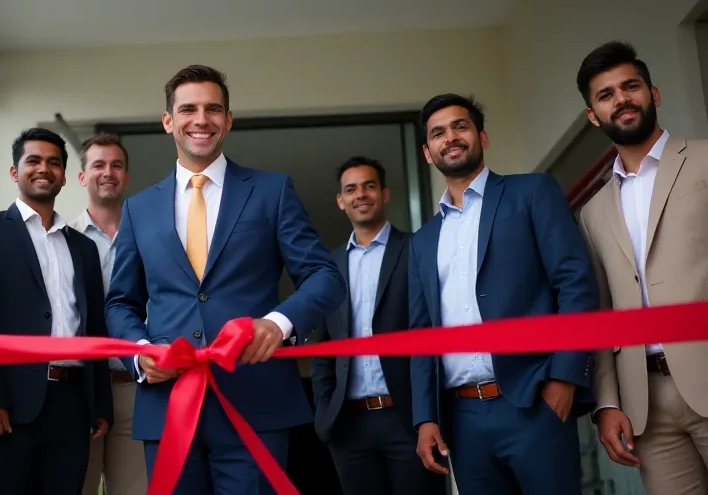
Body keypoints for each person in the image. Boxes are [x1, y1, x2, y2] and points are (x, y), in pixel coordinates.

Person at [105, 64, 344, 494]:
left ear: (228, 120)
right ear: (168, 121)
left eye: (213, 109)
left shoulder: (272, 191)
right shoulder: (138, 208)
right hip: (168, 406)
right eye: (188, 109)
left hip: (256, 401)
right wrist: (139, 354)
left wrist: (279, 323)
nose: (201, 119)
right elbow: (120, 302)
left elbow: (324, 276)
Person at [407, 93, 600, 494]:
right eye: (438, 133)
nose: (451, 137)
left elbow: (575, 283)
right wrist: (426, 417)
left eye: (460, 126)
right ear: (428, 153)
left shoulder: (532, 193)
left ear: (482, 136)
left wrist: (565, 377)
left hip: (534, 402)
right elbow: (422, 333)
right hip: (462, 419)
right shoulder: (423, 240)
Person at [574, 41, 708, 494]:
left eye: (630, 86)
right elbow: (603, 314)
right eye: (606, 94)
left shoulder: (705, 160)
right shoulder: (592, 212)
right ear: (594, 115)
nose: (621, 99)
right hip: (645, 405)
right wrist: (607, 403)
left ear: (654, 93)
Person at [0, 127, 113, 495]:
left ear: (63, 175)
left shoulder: (83, 247)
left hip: (72, 406)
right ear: (15, 171)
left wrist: (99, 404)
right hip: (8, 406)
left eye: (54, 162)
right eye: (34, 160)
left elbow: (95, 328)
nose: (44, 168)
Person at [310, 156, 445, 495]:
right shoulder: (328, 266)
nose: (361, 195)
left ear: (384, 193)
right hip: (348, 424)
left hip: (407, 419)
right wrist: (325, 415)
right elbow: (322, 347)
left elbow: (429, 333)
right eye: (351, 189)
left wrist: (428, 415)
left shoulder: (416, 248)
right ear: (341, 202)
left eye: (369, 186)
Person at [70, 133, 147, 495]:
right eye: (98, 165)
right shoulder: (60, 238)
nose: (108, 172)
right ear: (82, 176)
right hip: (79, 390)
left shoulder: (152, 237)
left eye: (117, 165)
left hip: (136, 387)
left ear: (127, 176)